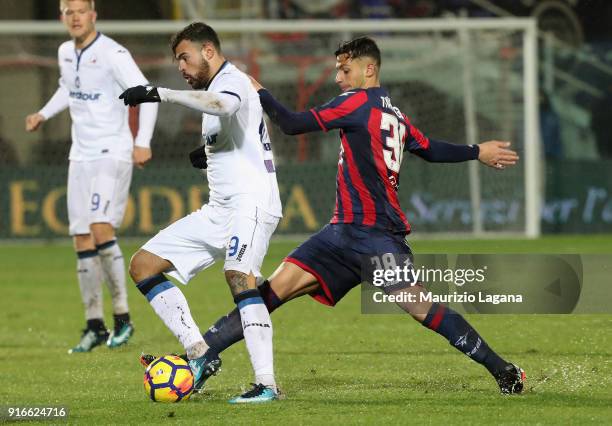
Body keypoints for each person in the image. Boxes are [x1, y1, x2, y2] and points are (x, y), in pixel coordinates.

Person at [144, 36, 525, 396]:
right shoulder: (395, 115)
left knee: (419, 307)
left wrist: (258, 91)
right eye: (337, 70)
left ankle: (503, 370)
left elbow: (292, 124)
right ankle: (198, 358)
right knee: (268, 293)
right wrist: (476, 150)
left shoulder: (358, 103)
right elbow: (431, 149)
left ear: (368, 70)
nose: (337, 77)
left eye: (344, 70)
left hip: (377, 236)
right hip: (338, 235)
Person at [119, 22, 282, 404]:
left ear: (208, 50)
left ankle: (267, 384)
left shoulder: (233, 80)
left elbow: (226, 104)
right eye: (177, 61)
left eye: (184, 58)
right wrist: (208, 155)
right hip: (219, 210)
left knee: (239, 275)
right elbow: (236, 127)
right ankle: (200, 354)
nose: (181, 67)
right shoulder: (214, 88)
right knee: (143, 265)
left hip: (251, 202)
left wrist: (160, 93)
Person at [25, 0, 158, 353]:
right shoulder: (65, 52)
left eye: (80, 11)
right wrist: (43, 113)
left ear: (93, 16)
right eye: (68, 11)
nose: (75, 17)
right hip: (79, 156)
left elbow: (147, 95)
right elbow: (68, 88)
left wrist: (142, 142)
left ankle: (123, 319)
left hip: (111, 152)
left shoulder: (113, 52)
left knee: (101, 229)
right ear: (62, 17)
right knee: (82, 240)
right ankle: (95, 325)